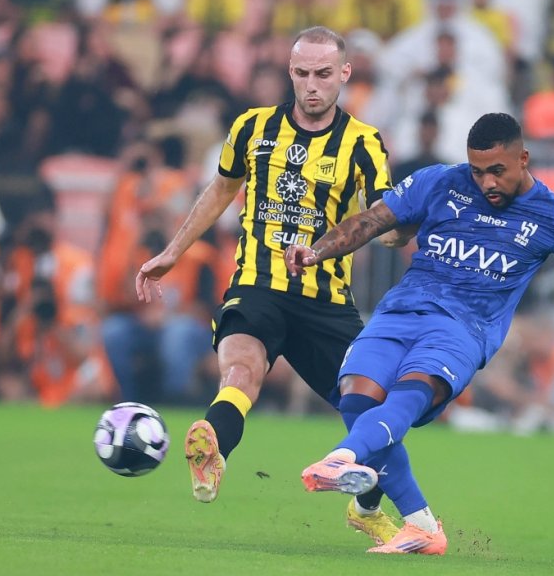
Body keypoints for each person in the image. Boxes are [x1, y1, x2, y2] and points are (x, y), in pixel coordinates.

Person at [285, 112, 554, 555]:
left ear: (523, 158)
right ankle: (418, 525)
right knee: (356, 400)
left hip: (464, 326)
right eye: (478, 171)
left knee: (407, 395)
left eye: (497, 170)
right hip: (402, 309)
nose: (487, 182)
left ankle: (342, 457)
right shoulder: (440, 181)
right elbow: (372, 221)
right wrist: (316, 251)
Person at [135, 26, 409, 545]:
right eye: (302, 73)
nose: (312, 85)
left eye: (323, 74)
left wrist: (399, 234)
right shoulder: (252, 127)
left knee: (374, 409)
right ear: (290, 72)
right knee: (241, 372)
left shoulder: (364, 142)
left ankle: (366, 506)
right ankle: (213, 450)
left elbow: (382, 214)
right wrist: (173, 252)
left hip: (326, 300)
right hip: (257, 285)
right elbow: (221, 189)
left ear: (345, 74)